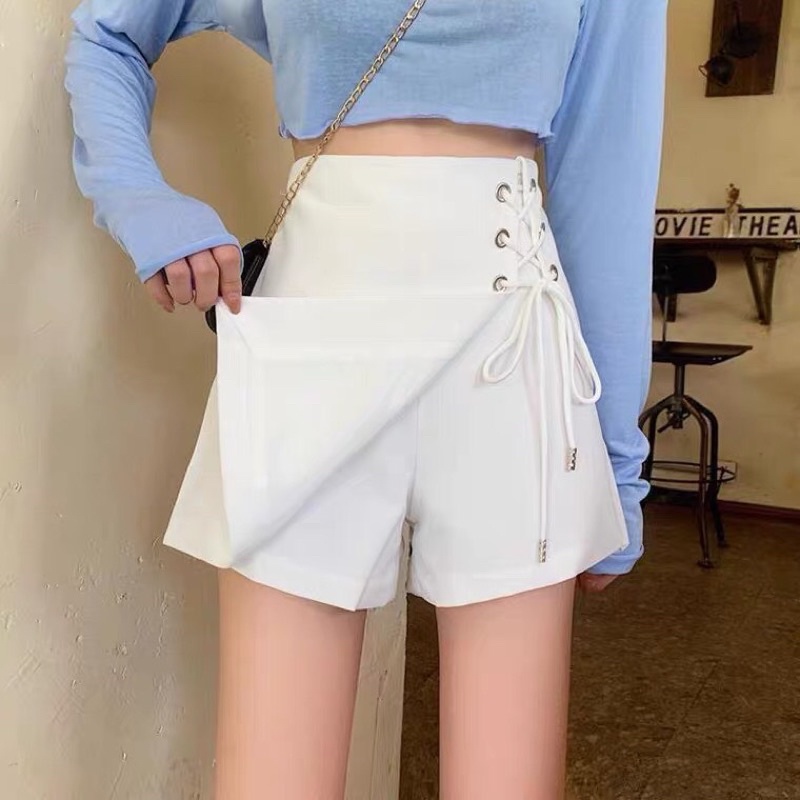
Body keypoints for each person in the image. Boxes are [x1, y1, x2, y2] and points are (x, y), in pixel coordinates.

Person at [64, 1, 668, 797]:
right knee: (273, 780)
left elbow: (607, 179)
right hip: (313, 335)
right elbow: (106, 36)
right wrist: (140, 199)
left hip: (512, 343)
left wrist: (619, 467)